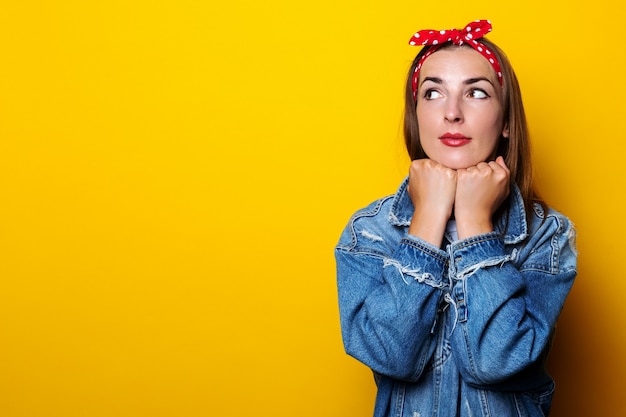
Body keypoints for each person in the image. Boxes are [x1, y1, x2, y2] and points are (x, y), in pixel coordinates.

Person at [335, 19, 577, 417]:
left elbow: (497, 361)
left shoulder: (546, 236)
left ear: (506, 124)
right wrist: (427, 219)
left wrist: (475, 222)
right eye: (433, 93)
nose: (452, 113)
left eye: (476, 93)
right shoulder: (369, 232)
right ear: (416, 116)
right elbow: (390, 355)